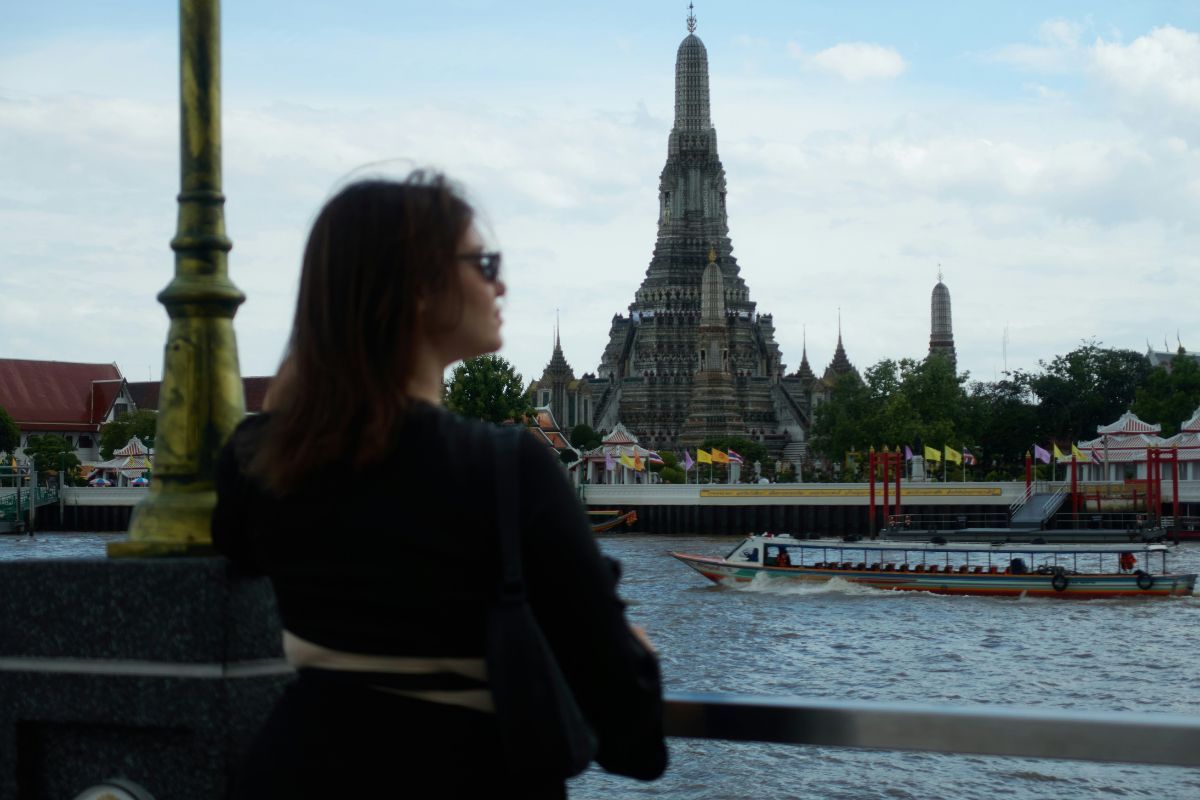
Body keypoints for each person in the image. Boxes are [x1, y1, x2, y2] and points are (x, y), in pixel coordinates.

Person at [212, 172, 667, 798]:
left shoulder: (255, 459)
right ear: (419, 289)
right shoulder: (508, 468)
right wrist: (631, 651)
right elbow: (632, 737)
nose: (499, 283)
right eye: (483, 263)